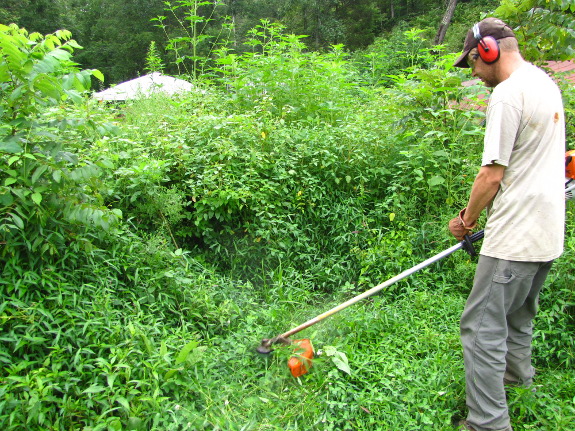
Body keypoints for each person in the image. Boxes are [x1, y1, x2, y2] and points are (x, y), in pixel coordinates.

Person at [448, 17, 565, 431]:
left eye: (473, 64)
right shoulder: (544, 84)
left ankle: (487, 423)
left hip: (514, 238)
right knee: (518, 316)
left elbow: (491, 176)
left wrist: (466, 220)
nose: (475, 74)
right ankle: (518, 383)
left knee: (480, 330)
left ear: (488, 51)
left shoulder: (507, 94)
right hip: (548, 235)